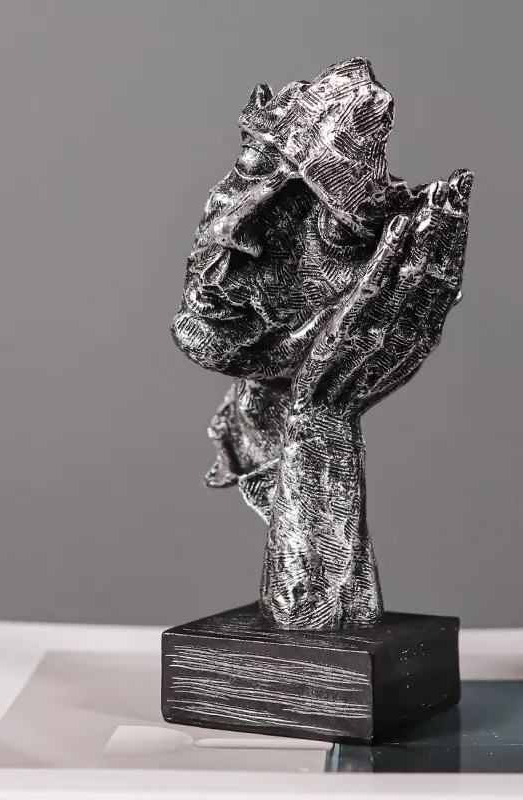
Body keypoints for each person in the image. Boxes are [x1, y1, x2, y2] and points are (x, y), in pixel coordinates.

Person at [172, 57, 472, 630]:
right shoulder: (249, 415)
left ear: (382, 275)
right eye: (252, 165)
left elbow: (311, 620)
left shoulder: (298, 402)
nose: (233, 236)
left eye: (328, 229)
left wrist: (321, 419)